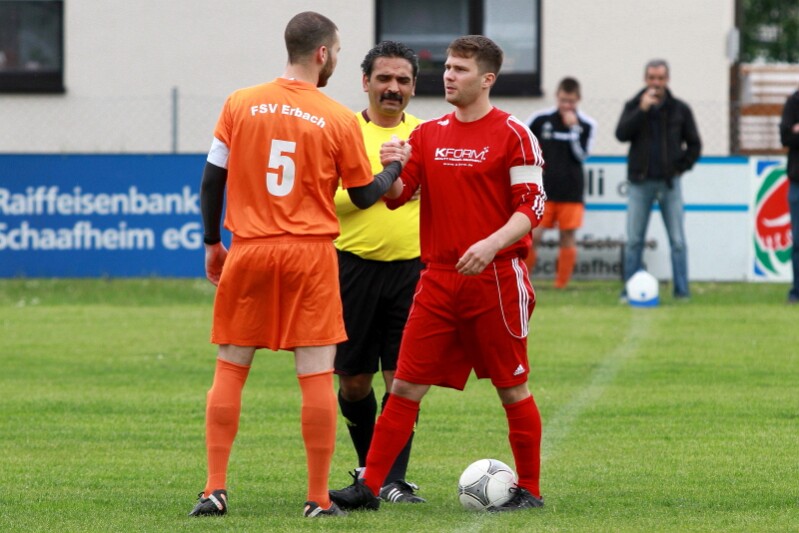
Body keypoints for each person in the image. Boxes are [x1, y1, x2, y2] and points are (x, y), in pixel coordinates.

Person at [189, 11, 409, 519]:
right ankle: (316, 498)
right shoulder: (338, 118)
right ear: (322, 53)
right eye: (337, 52)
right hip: (309, 255)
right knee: (314, 374)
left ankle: (214, 489)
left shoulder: (239, 102)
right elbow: (364, 194)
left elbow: (211, 179)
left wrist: (212, 243)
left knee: (230, 368)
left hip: (249, 248)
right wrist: (394, 166)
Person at [328, 34, 547, 513]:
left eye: (460, 69)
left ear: (487, 79)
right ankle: (370, 486)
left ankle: (529, 489)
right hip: (437, 279)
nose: (448, 75)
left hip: (496, 280)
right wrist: (393, 167)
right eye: (447, 67)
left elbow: (532, 208)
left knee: (512, 386)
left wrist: (490, 244)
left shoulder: (514, 134)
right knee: (405, 385)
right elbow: (397, 196)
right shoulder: (427, 135)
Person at [329, 41, 426, 503]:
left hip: (413, 273)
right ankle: (371, 468)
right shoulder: (342, 132)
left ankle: (391, 480)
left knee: (402, 380)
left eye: (402, 80)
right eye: (384, 78)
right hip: (352, 270)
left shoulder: (424, 136)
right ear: (365, 81)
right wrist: (381, 183)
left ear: (413, 87)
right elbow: (328, 199)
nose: (393, 87)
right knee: (353, 383)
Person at [615, 59, 701, 300]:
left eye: (660, 78)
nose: (656, 83)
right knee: (634, 241)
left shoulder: (680, 109)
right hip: (640, 184)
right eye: (652, 78)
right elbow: (621, 134)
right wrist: (641, 110)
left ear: (667, 80)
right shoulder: (633, 105)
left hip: (669, 184)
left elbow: (695, 144)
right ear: (645, 79)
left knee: (678, 241)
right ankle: (630, 291)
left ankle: (682, 292)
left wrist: (680, 167)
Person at [525, 77, 596, 288]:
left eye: (571, 101)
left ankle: (561, 284)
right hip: (543, 191)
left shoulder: (587, 125)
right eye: (563, 100)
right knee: (533, 236)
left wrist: (573, 131)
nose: (566, 105)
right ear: (557, 97)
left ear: (578, 99)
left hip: (571, 191)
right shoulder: (540, 120)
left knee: (567, 236)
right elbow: (524, 145)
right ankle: (523, 279)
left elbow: (582, 155)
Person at [779, 88, 799, 304]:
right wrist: (792, 132)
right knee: (798, 240)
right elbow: (785, 137)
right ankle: (797, 291)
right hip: (797, 183)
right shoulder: (794, 102)